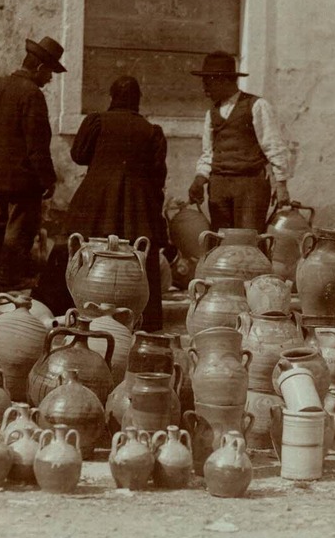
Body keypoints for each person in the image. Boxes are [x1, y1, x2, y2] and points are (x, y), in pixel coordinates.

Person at [66, 75, 169, 330]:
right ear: (137, 100)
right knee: (139, 257)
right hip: (137, 205)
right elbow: (159, 175)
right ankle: (145, 320)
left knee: (88, 252)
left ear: (112, 97)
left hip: (97, 200)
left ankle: (81, 309)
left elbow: (78, 155)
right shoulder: (151, 130)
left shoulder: (97, 122)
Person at [0, 36, 65, 290]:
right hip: (22, 180)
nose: (50, 79)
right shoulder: (32, 95)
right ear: (40, 68)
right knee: (18, 233)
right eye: (51, 73)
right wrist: (48, 180)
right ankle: (5, 284)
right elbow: (37, 147)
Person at [187, 50, 292, 233]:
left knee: (248, 241)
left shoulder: (257, 106)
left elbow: (274, 146)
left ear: (223, 80)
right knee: (221, 244)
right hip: (219, 186)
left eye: (208, 83)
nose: (205, 90)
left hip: (250, 186)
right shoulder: (211, 114)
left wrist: (281, 184)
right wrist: (199, 180)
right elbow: (208, 153)